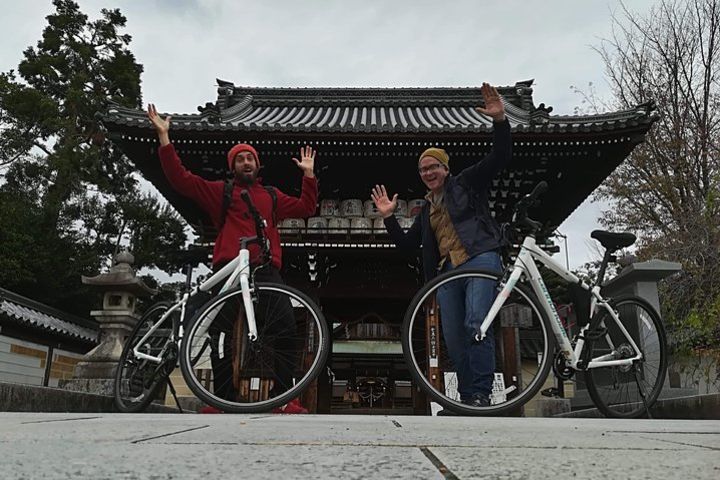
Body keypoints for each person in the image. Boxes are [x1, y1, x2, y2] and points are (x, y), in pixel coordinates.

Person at [147, 104, 318, 413]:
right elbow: (181, 179)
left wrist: (308, 175)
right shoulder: (220, 191)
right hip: (227, 269)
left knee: (283, 326)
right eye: (239, 158)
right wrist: (164, 138)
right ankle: (224, 398)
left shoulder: (272, 196)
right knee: (221, 334)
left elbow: (307, 208)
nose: (245, 161)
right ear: (233, 166)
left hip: (264, 269)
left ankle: (284, 397)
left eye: (250, 157)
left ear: (257, 164)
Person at [371, 83, 511, 411]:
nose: (428, 172)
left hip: (480, 257)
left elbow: (499, 157)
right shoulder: (426, 209)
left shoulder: (467, 183)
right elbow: (408, 246)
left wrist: (501, 122)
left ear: (446, 169)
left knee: (477, 323)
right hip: (447, 273)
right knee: (454, 337)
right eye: (423, 169)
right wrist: (390, 218)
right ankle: (465, 398)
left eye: (434, 166)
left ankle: (480, 393)